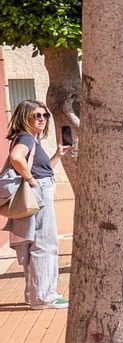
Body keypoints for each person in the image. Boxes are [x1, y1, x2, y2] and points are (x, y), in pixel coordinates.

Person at [4, 101, 66, 309]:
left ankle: (35, 294)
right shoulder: (26, 138)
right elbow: (16, 157)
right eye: (36, 115)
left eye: (45, 115)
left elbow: (42, 170)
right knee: (45, 244)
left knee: (34, 244)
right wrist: (31, 180)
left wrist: (57, 155)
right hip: (38, 194)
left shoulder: (28, 139)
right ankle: (44, 297)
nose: (42, 119)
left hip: (36, 192)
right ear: (24, 117)